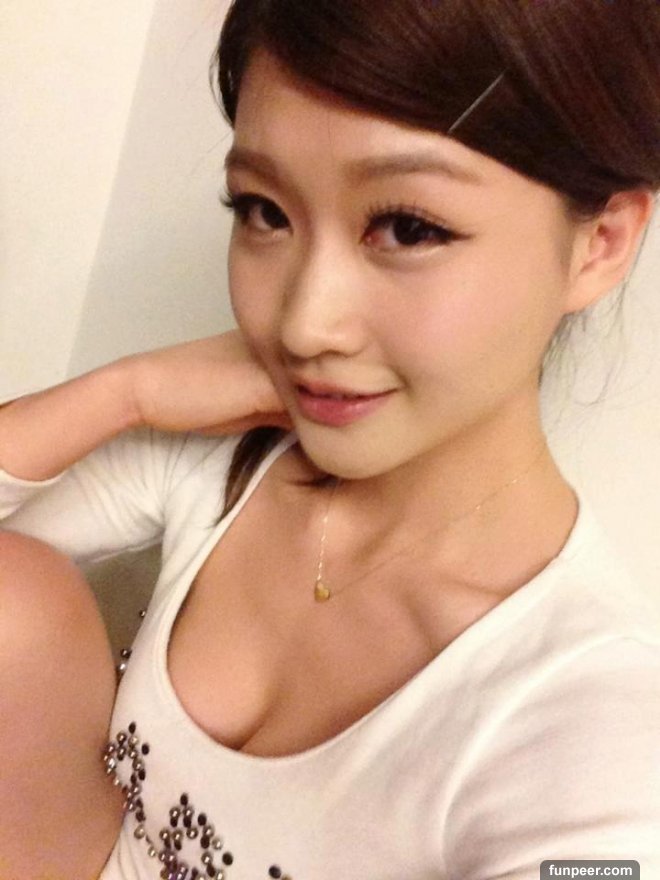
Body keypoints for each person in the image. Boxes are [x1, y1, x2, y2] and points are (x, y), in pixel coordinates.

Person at [1, 0, 659, 877]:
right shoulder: (223, 465)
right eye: (264, 211)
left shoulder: (584, 726)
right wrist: (125, 392)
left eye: (409, 228)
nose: (304, 324)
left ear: (601, 244)